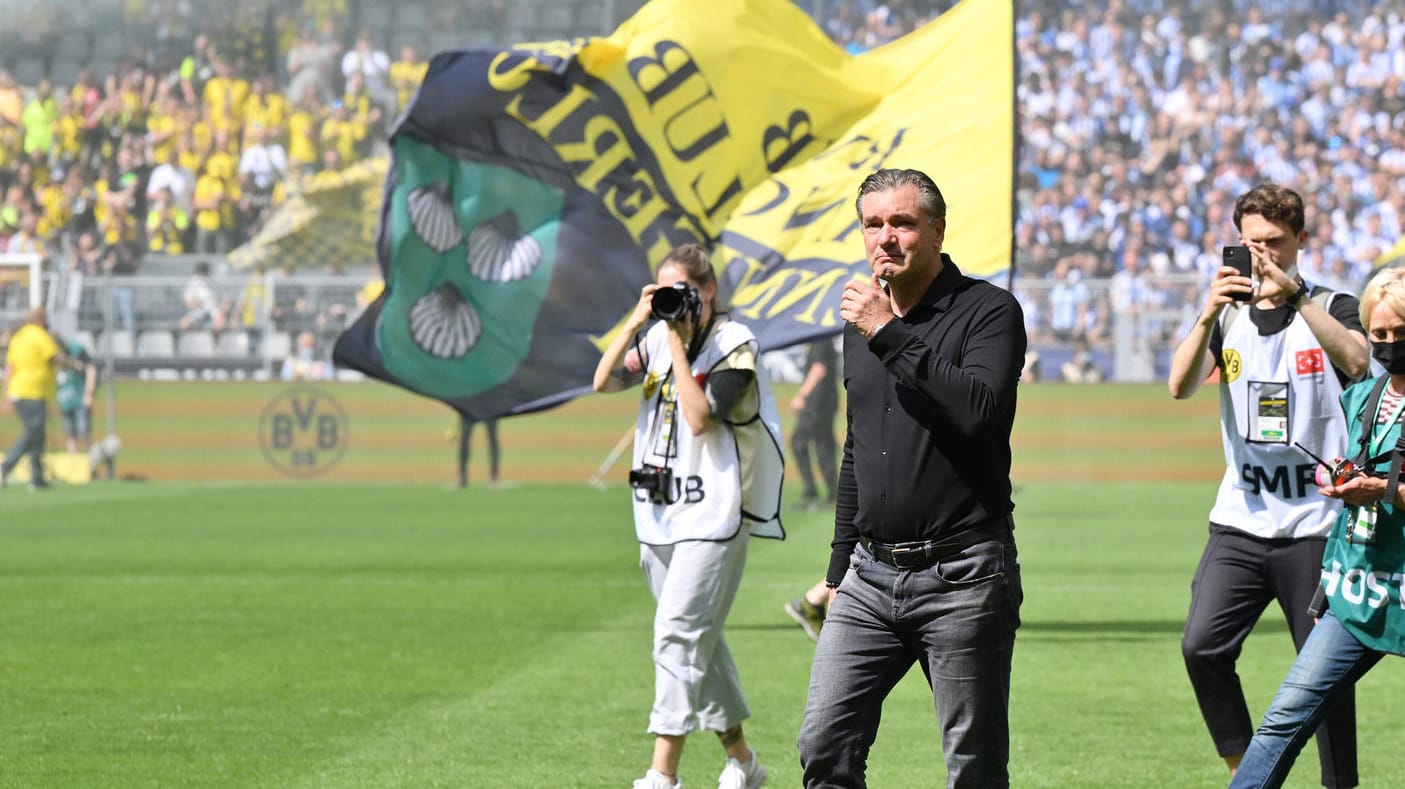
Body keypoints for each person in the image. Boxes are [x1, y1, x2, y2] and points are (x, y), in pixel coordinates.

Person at [797, 168, 1026, 788]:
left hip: (963, 574)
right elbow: (857, 450)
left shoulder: (988, 311)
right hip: (869, 578)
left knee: (973, 766)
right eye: (873, 224)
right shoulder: (860, 323)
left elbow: (981, 411)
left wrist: (889, 333)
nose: (886, 238)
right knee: (823, 745)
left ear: (937, 230)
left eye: (902, 223)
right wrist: (838, 571)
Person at [1167, 182, 1365, 787]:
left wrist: (1297, 295)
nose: (1262, 256)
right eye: (1251, 243)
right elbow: (1178, 386)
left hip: (1317, 526)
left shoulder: (1331, 305)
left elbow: (1357, 362)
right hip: (1243, 520)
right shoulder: (1226, 315)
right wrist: (1207, 310)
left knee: (1323, 674)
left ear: (1301, 240)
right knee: (1201, 647)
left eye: (1275, 243)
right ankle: (1243, 770)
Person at [592, 243, 784, 789]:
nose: (674, 303)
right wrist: (637, 321)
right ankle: (743, 761)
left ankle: (662, 776)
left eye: (684, 293)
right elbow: (602, 380)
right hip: (657, 516)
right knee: (702, 639)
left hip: (714, 516)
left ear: (709, 292)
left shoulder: (734, 345)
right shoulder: (651, 336)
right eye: (664, 292)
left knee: (676, 634)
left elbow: (700, 420)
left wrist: (676, 346)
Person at [1230, 267, 1405, 787]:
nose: (1390, 345)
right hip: (1362, 589)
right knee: (1284, 718)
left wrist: (1384, 491)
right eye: (1381, 336)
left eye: (1401, 333)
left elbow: (1386, 485)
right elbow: (1364, 469)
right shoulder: (1363, 398)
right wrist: (1344, 477)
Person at [1, 307, 64, 490]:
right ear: (42, 320)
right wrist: (71, 363)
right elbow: (53, 357)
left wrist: (6, 394)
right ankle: (6, 466)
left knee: (38, 433)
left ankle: (36, 478)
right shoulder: (39, 335)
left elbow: (10, 368)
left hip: (18, 391)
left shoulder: (18, 337)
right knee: (34, 432)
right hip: (33, 392)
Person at [790, 337, 839, 508]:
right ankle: (820, 491)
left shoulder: (820, 339)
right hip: (821, 401)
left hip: (818, 402)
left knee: (816, 445)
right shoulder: (820, 339)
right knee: (818, 444)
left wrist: (802, 395)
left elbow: (819, 369)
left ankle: (827, 493)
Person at [55, 336, 98, 454]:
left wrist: (89, 393)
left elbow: (91, 368)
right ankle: (73, 465)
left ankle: (92, 463)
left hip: (80, 400)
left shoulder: (76, 353)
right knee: (70, 436)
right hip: (65, 403)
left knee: (84, 433)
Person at [453, 414, 500, 489]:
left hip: (489, 407)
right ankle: (462, 478)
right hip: (470, 407)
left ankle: (494, 478)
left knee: (492, 439)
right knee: (464, 439)